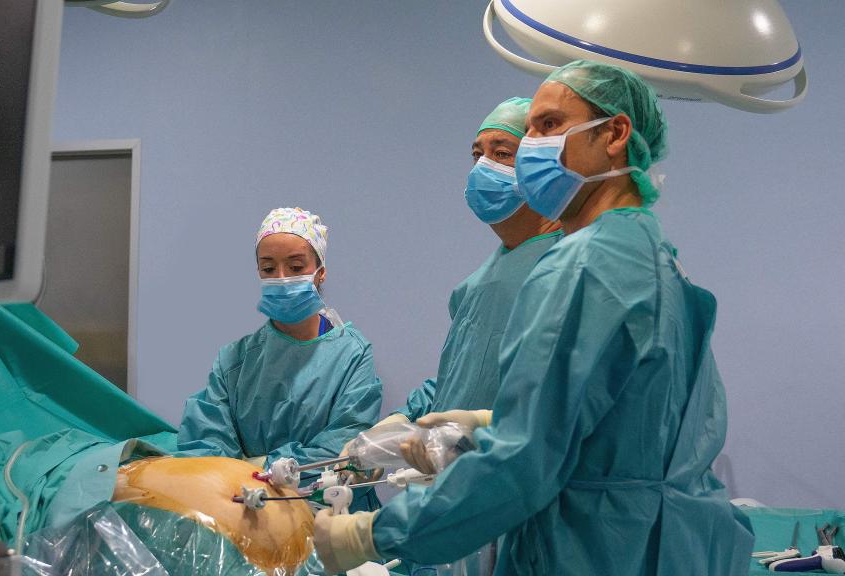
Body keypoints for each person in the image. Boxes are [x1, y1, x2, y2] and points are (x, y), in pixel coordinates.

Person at [313, 60, 754, 575]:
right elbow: (638, 426)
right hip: (666, 546)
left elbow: (524, 465)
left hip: (589, 551)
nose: (532, 149)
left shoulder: (584, 264)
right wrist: (489, 424)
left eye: (548, 126)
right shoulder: (657, 258)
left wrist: (371, 535)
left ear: (615, 133)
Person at [344, 98, 561, 482]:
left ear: (541, 166)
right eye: (477, 155)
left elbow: (560, 397)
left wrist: (481, 431)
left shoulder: (566, 267)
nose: (482, 168)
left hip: (518, 483)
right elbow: (460, 380)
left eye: (502, 153)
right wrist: (403, 419)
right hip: (460, 487)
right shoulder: (475, 287)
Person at [178, 207, 383, 509]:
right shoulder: (235, 360)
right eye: (269, 269)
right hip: (249, 513)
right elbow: (206, 447)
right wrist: (255, 482)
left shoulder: (352, 355)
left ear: (320, 272)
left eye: (296, 266)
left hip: (330, 519)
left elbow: (343, 447)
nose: (282, 278)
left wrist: (262, 470)